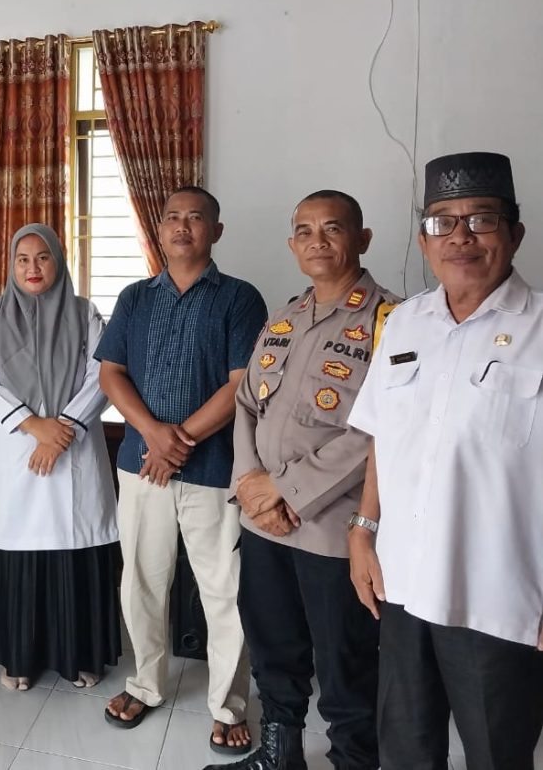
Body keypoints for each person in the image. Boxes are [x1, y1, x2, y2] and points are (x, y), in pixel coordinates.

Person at [347, 152, 543, 770]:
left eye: (480, 220)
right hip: (402, 583)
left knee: (496, 750)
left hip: (498, 593)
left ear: (514, 232)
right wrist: (363, 530)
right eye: (441, 222)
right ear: (424, 240)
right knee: (405, 746)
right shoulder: (404, 322)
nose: (459, 236)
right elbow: (383, 433)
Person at [208, 191, 399, 770]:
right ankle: (279, 752)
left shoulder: (393, 321)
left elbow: (381, 429)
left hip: (331, 531)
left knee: (346, 663)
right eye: (305, 230)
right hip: (263, 525)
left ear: (361, 239)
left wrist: (285, 490)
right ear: (292, 245)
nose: (318, 240)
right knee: (273, 648)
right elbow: (244, 403)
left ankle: (354, 761)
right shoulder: (285, 316)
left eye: (333, 228)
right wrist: (249, 484)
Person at [96, 188, 267, 755]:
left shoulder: (240, 299)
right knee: (142, 582)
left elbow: (241, 383)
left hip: (214, 469)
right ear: (160, 229)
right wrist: (151, 434)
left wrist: (182, 440)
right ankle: (146, 684)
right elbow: (111, 373)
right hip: (141, 466)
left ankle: (228, 705)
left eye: (196, 218)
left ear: (216, 231)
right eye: (173, 218)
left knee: (224, 593)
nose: (183, 227)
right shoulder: (135, 298)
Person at [0, 223, 120, 691]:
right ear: (11, 266)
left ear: (58, 261)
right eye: (23, 259)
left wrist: (60, 431)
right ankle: (18, 657)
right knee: (17, 553)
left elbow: (104, 374)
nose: (33, 268)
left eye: (43, 258)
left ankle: (77, 655)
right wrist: (36, 426)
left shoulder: (85, 314)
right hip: (15, 454)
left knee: (72, 551)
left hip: (71, 453)